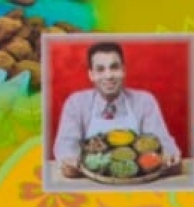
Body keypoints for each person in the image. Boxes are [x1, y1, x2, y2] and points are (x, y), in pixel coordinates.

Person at [52, 41, 180, 178]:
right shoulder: (76, 103)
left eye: (114, 67)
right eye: (100, 69)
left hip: (136, 181)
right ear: (91, 75)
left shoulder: (145, 101)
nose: (108, 76)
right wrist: (70, 160)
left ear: (123, 70)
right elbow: (67, 143)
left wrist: (170, 157)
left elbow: (161, 140)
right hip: (91, 181)